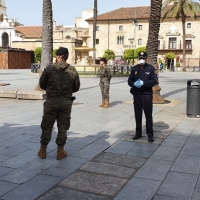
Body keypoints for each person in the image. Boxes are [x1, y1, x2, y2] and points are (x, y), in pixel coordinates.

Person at [38, 47, 80, 160]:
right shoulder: (72, 70)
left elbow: (42, 84)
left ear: (57, 56)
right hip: (66, 103)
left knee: (47, 125)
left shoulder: (49, 69)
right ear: (67, 56)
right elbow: (76, 87)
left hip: (51, 101)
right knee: (63, 127)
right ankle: (60, 151)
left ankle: (42, 150)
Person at [128, 52, 158, 143]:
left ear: (146, 59)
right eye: (140, 58)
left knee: (148, 115)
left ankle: (150, 134)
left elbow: (154, 81)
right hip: (137, 94)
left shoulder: (150, 68)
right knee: (137, 114)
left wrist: (144, 83)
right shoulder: (134, 69)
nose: (142, 59)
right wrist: (133, 84)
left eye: (143, 58)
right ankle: (138, 133)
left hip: (146, 95)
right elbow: (130, 80)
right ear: (138, 58)